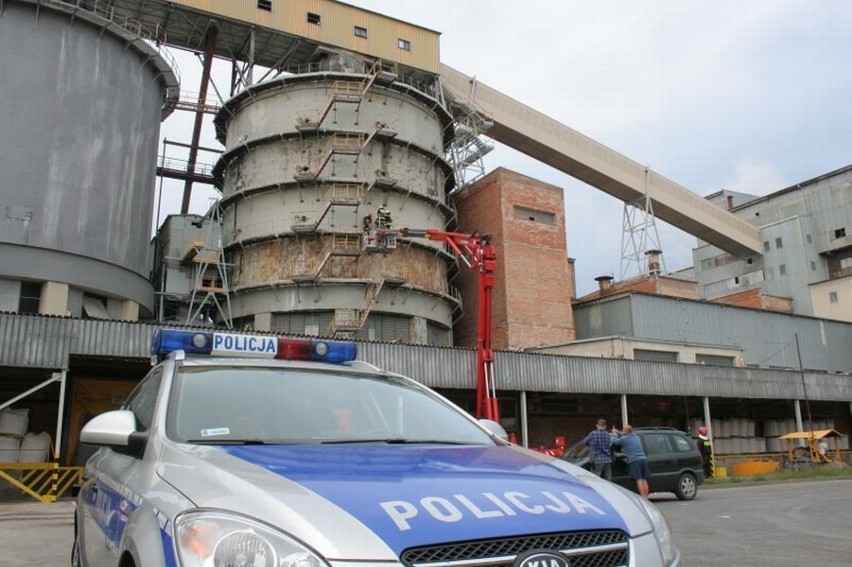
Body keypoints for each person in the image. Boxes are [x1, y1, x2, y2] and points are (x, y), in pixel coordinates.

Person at [611, 424, 651, 498]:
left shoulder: (625, 439)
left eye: (623, 430)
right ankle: (646, 496)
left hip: (635, 461)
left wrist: (614, 434)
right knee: (644, 479)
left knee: (639, 480)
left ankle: (643, 498)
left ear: (626, 431)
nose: (622, 431)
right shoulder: (636, 436)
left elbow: (615, 441)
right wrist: (618, 432)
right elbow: (624, 434)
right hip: (643, 459)